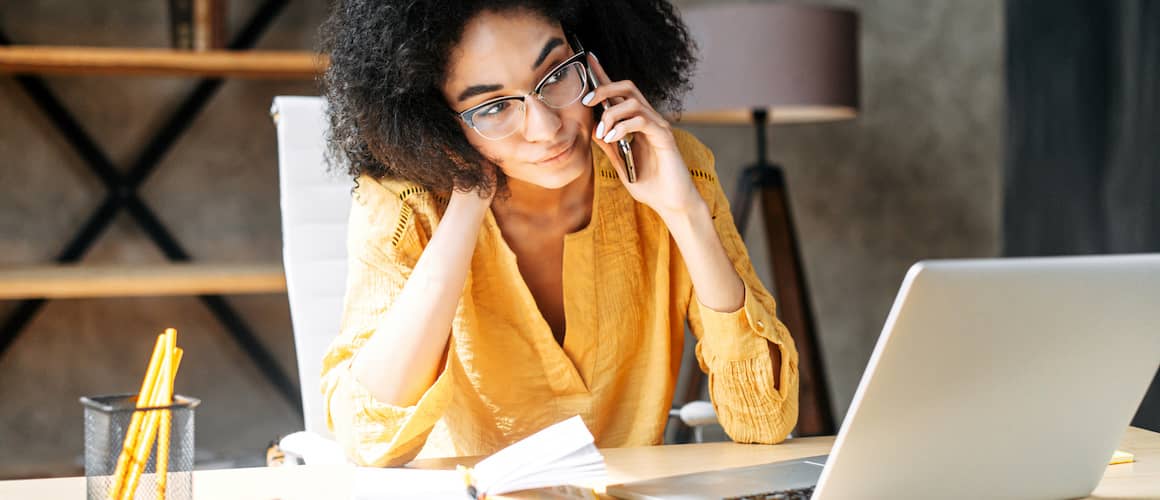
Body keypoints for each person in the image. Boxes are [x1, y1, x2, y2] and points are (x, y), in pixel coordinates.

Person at [317, 0, 799, 467]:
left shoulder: (668, 166)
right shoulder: (402, 203)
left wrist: (684, 214)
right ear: (437, 122)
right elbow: (369, 440)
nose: (546, 127)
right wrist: (467, 197)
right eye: (492, 108)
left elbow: (764, 417)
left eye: (555, 74)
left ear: (591, 56)